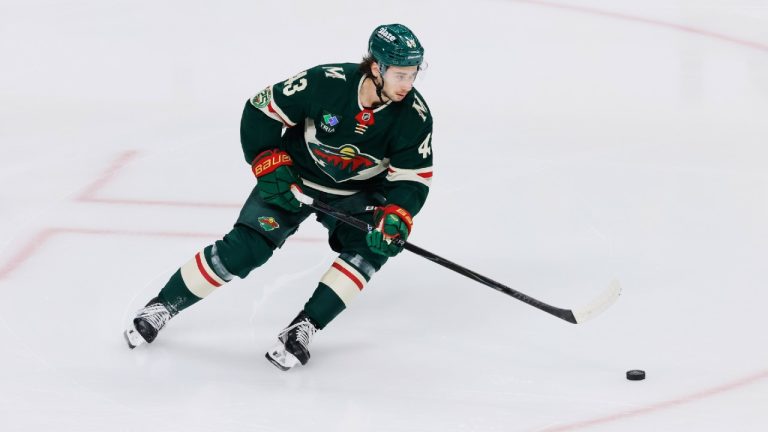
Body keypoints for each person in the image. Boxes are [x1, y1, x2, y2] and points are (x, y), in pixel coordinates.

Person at [124, 23, 434, 371]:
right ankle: (163, 305)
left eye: (413, 74)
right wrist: (268, 163)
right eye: (400, 75)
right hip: (295, 181)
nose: (408, 84)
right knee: (246, 247)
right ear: (377, 68)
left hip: (354, 195)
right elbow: (261, 110)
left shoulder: (414, 117)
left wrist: (396, 214)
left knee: (369, 250)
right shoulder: (326, 82)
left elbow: (412, 178)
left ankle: (305, 326)